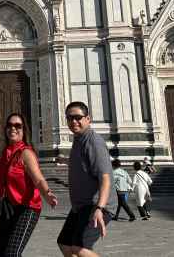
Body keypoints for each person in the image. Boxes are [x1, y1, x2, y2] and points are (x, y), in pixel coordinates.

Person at [0, 113, 58, 257]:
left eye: (17, 126)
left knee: (12, 253)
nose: (13, 129)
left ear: (24, 130)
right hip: (9, 208)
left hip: (28, 208)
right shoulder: (5, 152)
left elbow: (38, 179)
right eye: (9, 125)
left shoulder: (26, 153)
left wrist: (47, 193)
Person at [57, 102, 117, 257]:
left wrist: (99, 209)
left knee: (80, 249)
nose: (73, 121)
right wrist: (66, 161)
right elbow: (85, 164)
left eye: (78, 117)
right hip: (81, 206)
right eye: (70, 118)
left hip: (95, 205)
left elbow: (105, 177)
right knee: (64, 243)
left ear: (88, 119)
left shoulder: (93, 142)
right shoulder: (78, 139)